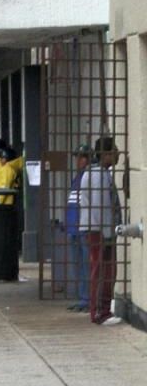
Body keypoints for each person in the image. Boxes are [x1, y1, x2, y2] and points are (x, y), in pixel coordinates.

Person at [80, 137, 123, 326]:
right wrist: (108, 233)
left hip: (99, 228)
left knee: (105, 270)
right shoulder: (98, 175)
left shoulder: (98, 173)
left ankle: (101, 310)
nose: (118, 153)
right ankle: (99, 311)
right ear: (105, 154)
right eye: (114, 150)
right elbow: (101, 207)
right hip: (99, 229)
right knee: (103, 270)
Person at [65, 145, 91, 312]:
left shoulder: (89, 177)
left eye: (82, 157)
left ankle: (88, 299)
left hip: (83, 227)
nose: (78, 160)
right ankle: (83, 299)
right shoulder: (77, 177)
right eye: (77, 157)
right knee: (79, 265)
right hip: (74, 227)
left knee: (86, 265)